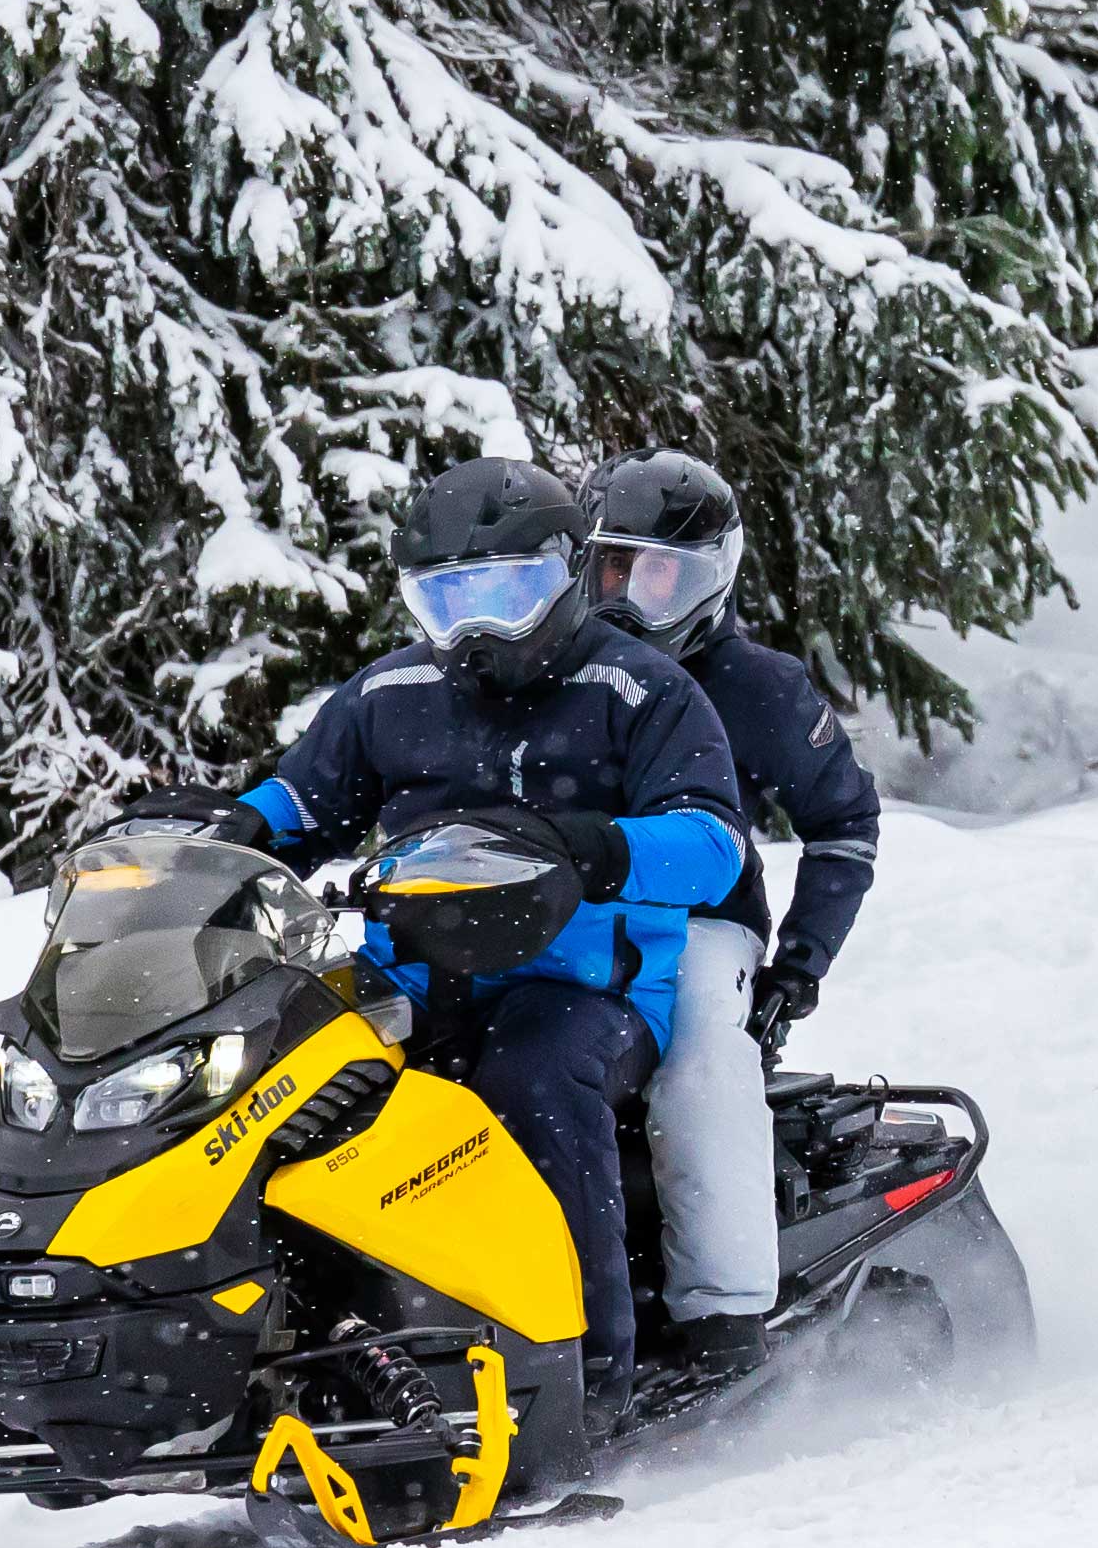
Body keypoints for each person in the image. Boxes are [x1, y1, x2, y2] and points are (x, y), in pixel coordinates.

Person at [207, 457, 746, 1427]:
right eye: (446, 599)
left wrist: (600, 848)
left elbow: (710, 845)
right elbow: (307, 795)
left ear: (568, 573)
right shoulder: (391, 690)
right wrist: (238, 827)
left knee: (530, 1079)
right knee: (269, 1071)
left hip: (586, 981)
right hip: (405, 962)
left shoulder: (638, 689)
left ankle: (583, 1377)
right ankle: (262, 1337)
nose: (477, 628)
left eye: (508, 593)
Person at [581, 450, 882, 1374]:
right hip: (557, 912)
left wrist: (800, 964)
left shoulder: (761, 688)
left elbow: (844, 825)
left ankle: (723, 1315)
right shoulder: (557, 675)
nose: (631, 599)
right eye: (610, 571)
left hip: (702, 923)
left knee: (702, 1063)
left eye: (660, 574)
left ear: (713, 577)